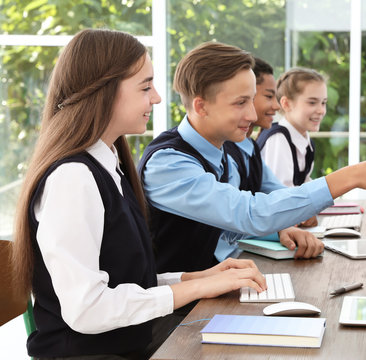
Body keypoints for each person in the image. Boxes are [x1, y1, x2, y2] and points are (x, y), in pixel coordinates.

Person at [11, 29, 266, 360]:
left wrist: (197, 277)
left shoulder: (108, 166)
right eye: (145, 86)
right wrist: (193, 289)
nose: (157, 97)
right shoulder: (72, 178)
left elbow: (124, 282)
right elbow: (87, 309)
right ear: (104, 91)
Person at [138, 42, 366, 276]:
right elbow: (247, 213)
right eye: (240, 103)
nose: (253, 115)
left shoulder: (223, 149)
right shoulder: (169, 164)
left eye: (252, 100)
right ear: (201, 106)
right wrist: (351, 176)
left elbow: (231, 226)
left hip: (224, 282)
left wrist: (280, 230)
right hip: (181, 317)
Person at [218, 57, 318, 261]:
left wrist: (301, 210)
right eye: (268, 96)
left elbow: (280, 192)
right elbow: (240, 216)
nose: (276, 106)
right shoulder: (223, 153)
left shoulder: (250, 147)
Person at [257, 67, 326, 187]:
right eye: (312, 102)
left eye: (323, 103)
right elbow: (280, 196)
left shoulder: (306, 142)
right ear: (286, 104)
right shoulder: (278, 139)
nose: (321, 110)